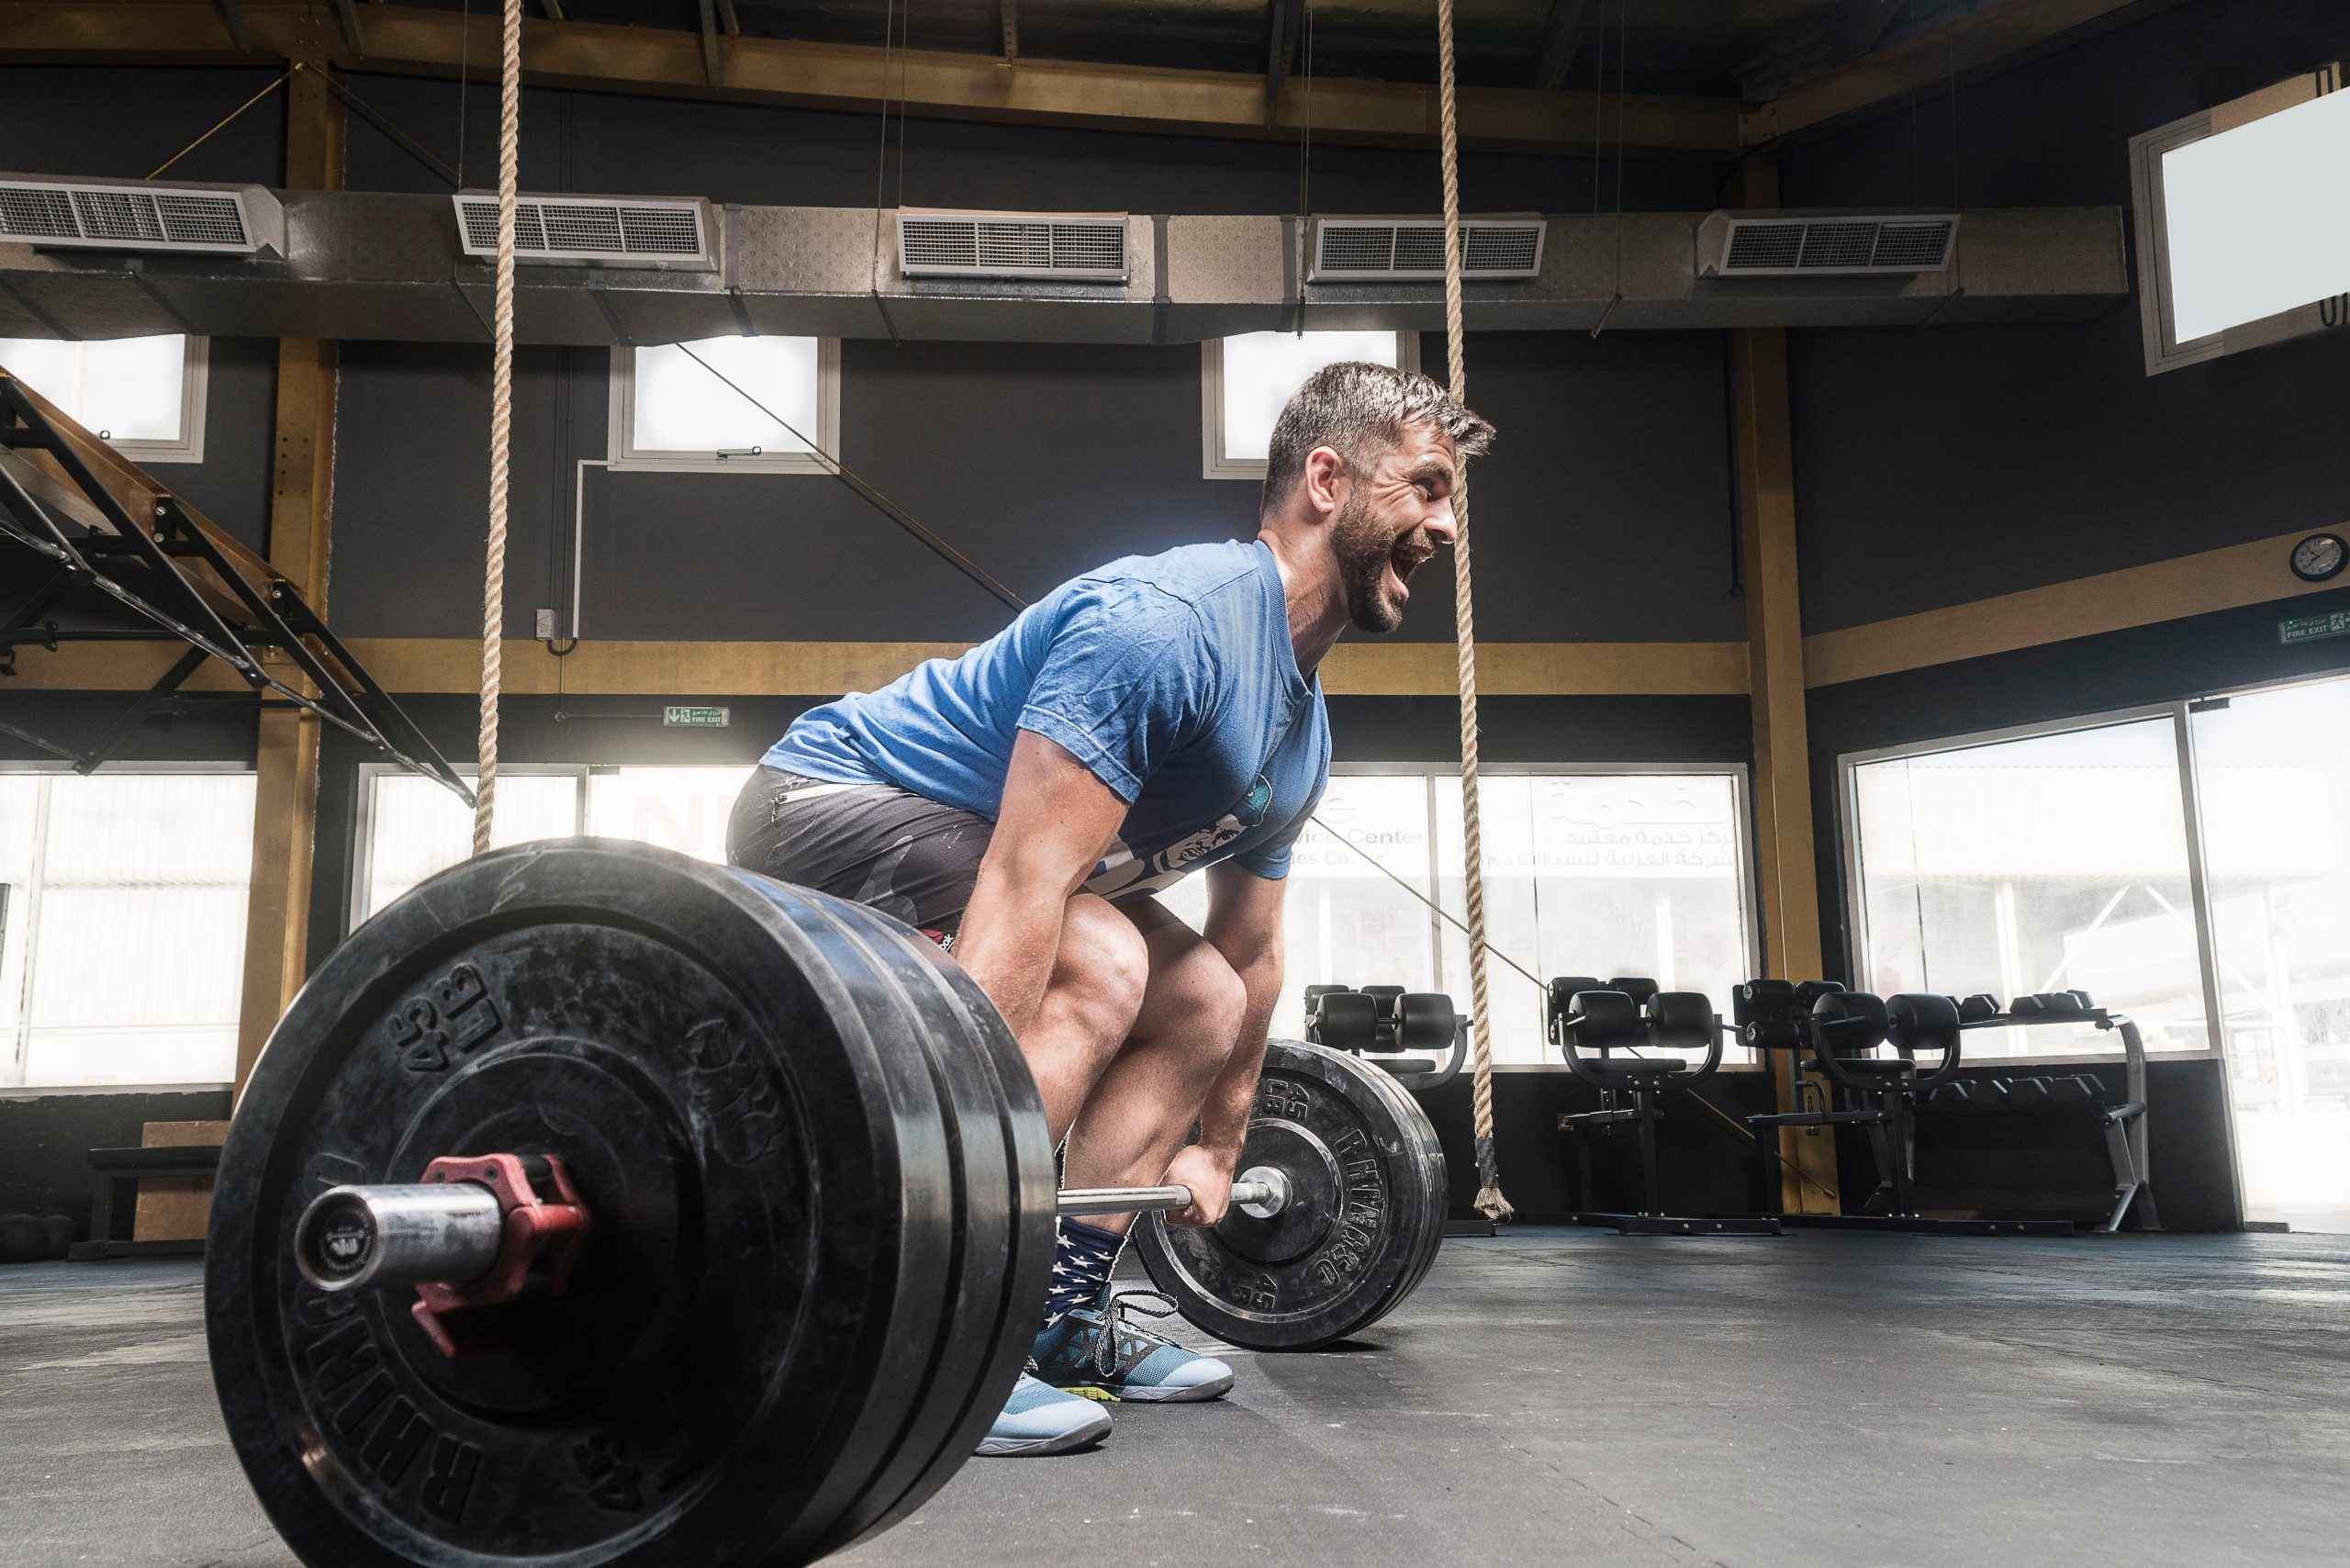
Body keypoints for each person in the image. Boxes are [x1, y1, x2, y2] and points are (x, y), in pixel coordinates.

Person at [727, 361, 1495, 1455]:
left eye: (1448, 496)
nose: (1444, 524)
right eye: (1423, 486)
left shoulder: (1298, 728)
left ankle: (1058, 1320)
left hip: (983, 854)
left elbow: (1252, 952)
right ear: (1326, 478)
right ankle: (940, 1333)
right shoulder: (1168, 623)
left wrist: (1221, 1148)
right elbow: (1025, 883)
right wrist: (959, 1167)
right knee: (1097, 959)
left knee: (1199, 999)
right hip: (824, 798)